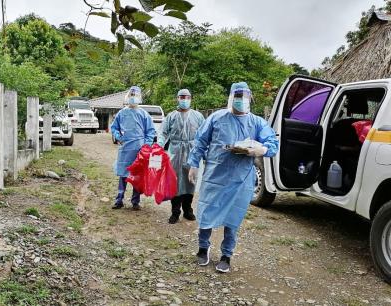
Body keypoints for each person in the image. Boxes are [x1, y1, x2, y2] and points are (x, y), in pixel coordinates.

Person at [187, 82, 279, 273]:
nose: (240, 100)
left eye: (244, 97)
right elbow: (201, 141)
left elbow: (272, 143)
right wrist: (194, 163)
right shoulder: (217, 117)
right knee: (206, 212)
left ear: (250, 99)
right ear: (230, 97)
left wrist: (261, 149)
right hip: (215, 175)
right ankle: (203, 248)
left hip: (241, 179)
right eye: (237, 96)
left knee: (233, 217)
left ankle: (226, 255)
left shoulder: (257, 122)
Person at [158, 89, 205, 224]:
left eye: (187, 97)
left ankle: (188, 210)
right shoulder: (171, 116)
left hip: (193, 152)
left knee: (191, 181)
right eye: (182, 97)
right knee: (176, 182)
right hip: (176, 152)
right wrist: (159, 145)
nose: (185, 100)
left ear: (191, 99)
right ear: (177, 98)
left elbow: (204, 134)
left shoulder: (198, 116)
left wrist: (205, 152)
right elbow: (163, 133)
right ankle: (175, 212)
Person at [110, 86, 156, 210]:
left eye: (135, 96)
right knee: (123, 174)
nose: (133, 98)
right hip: (125, 147)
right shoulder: (122, 113)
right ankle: (119, 199)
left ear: (139, 98)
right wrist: (118, 137)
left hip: (139, 149)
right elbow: (114, 127)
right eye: (131, 96)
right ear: (127, 97)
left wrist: (146, 145)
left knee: (137, 175)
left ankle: (135, 201)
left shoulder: (143, 114)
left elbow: (150, 131)